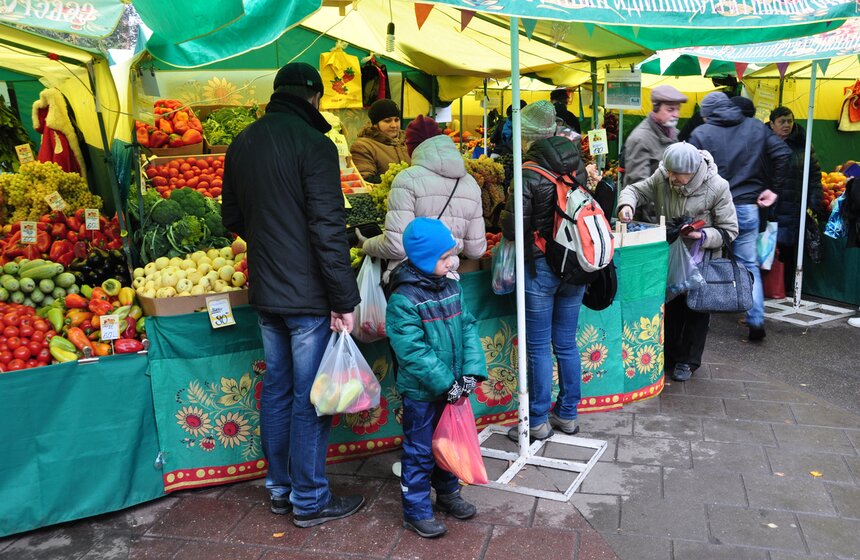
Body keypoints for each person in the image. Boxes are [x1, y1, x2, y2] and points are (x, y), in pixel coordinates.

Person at [221, 62, 365, 528]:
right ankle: (310, 499)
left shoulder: (243, 143)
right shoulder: (315, 144)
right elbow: (328, 227)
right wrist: (344, 298)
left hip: (266, 293)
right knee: (309, 398)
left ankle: (281, 489)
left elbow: (233, 220)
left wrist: (270, 244)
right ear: (315, 98)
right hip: (307, 298)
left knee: (278, 392)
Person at [386, 217, 488, 539]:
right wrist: (447, 384)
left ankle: (447, 495)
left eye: (451, 255)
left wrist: (470, 373)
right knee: (419, 451)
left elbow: (468, 326)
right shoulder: (403, 299)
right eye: (444, 258)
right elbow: (412, 352)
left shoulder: (451, 286)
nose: (452, 262)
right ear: (424, 259)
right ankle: (416, 510)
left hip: (451, 388)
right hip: (422, 393)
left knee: (448, 443)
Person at [618, 143, 739, 381]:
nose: (671, 177)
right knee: (670, 307)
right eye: (669, 171)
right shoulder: (662, 176)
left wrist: (702, 236)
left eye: (676, 173)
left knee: (696, 310)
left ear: (692, 171)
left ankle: (688, 361)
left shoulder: (717, 186)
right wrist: (626, 205)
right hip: (670, 254)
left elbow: (730, 230)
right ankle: (669, 355)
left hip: (701, 258)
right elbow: (635, 191)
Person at [500, 131, 590, 441]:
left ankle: (537, 420)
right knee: (566, 343)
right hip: (576, 265)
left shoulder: (527, 174)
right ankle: (567, 414)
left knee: (538, 347)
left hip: (540, 267)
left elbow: (513, 228)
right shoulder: (576, 166)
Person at [689, 91, 791, 341]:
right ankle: (756, 321)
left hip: (711, 209)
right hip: (746, 207)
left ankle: (703, 320)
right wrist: (773, 190)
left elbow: (687, 170)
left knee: (704, 262)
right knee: (749, 265)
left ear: (707, 115)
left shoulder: (702, 134)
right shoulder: (756, 127)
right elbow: (783, 155)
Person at [358, 114, 486, 279]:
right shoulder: (470, 183)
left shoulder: (406, 180)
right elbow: (476, 250)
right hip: (449, 279)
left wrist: (367, 244)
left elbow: (397, 246)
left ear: (413, 149)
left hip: (411, 281)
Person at [768, 106, 823, 294]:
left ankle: (786, 290)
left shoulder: (803, 144)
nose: (787, 125)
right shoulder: (763, 142)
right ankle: (767, 289)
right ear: (771, 123)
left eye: (789, 121)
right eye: (782, 121)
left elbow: (814, 175)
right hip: (769, 205)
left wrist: (814, 202)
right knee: (768, 246)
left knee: (788, 248)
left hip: (793, 205)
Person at [622, 85, 689, 222]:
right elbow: (637, 185)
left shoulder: (675, 134)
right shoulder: (640, 139)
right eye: (670, 109)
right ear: (656, 108)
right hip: (651, 220)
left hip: (672, 216)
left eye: (677, 109)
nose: (676, 114)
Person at [350, 98, 410, 182]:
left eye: (396, 120)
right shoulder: (362, 146)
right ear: (375, 124)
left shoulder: (408, 141)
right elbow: (366, 179)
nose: (394, 125)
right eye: (387, 121)